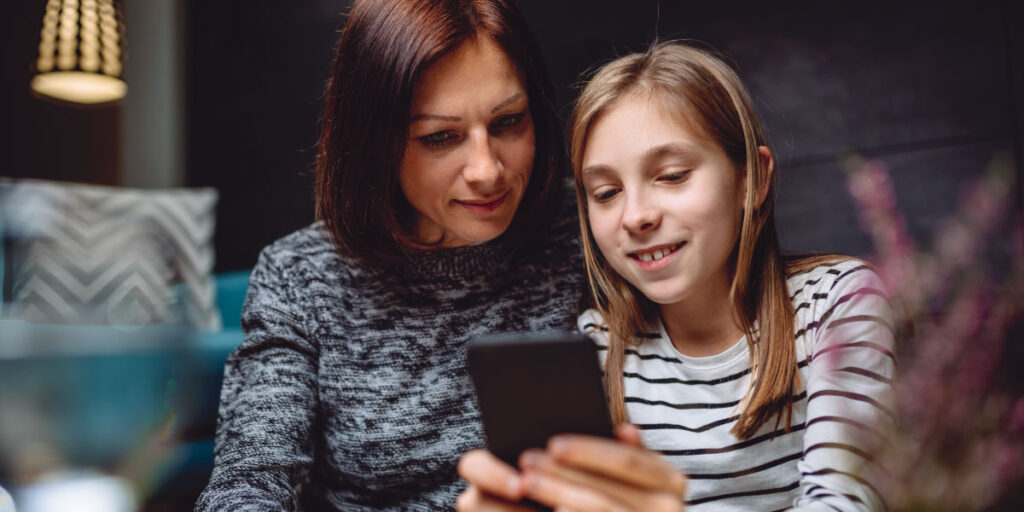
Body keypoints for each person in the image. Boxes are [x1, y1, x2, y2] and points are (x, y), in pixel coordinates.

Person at [457, 42, 895, 511]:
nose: (636, 216)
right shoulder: (599, 353)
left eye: (671, 175)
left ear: (752, 180)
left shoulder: (838, 305)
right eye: (606, 193)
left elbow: (846, 504)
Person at [195, 0, 584, 510]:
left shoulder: (593, 225)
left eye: (509, 122)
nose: (487, 170)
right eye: (440, 137)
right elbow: (249, 479)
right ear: (374, 142)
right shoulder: (300, 276)